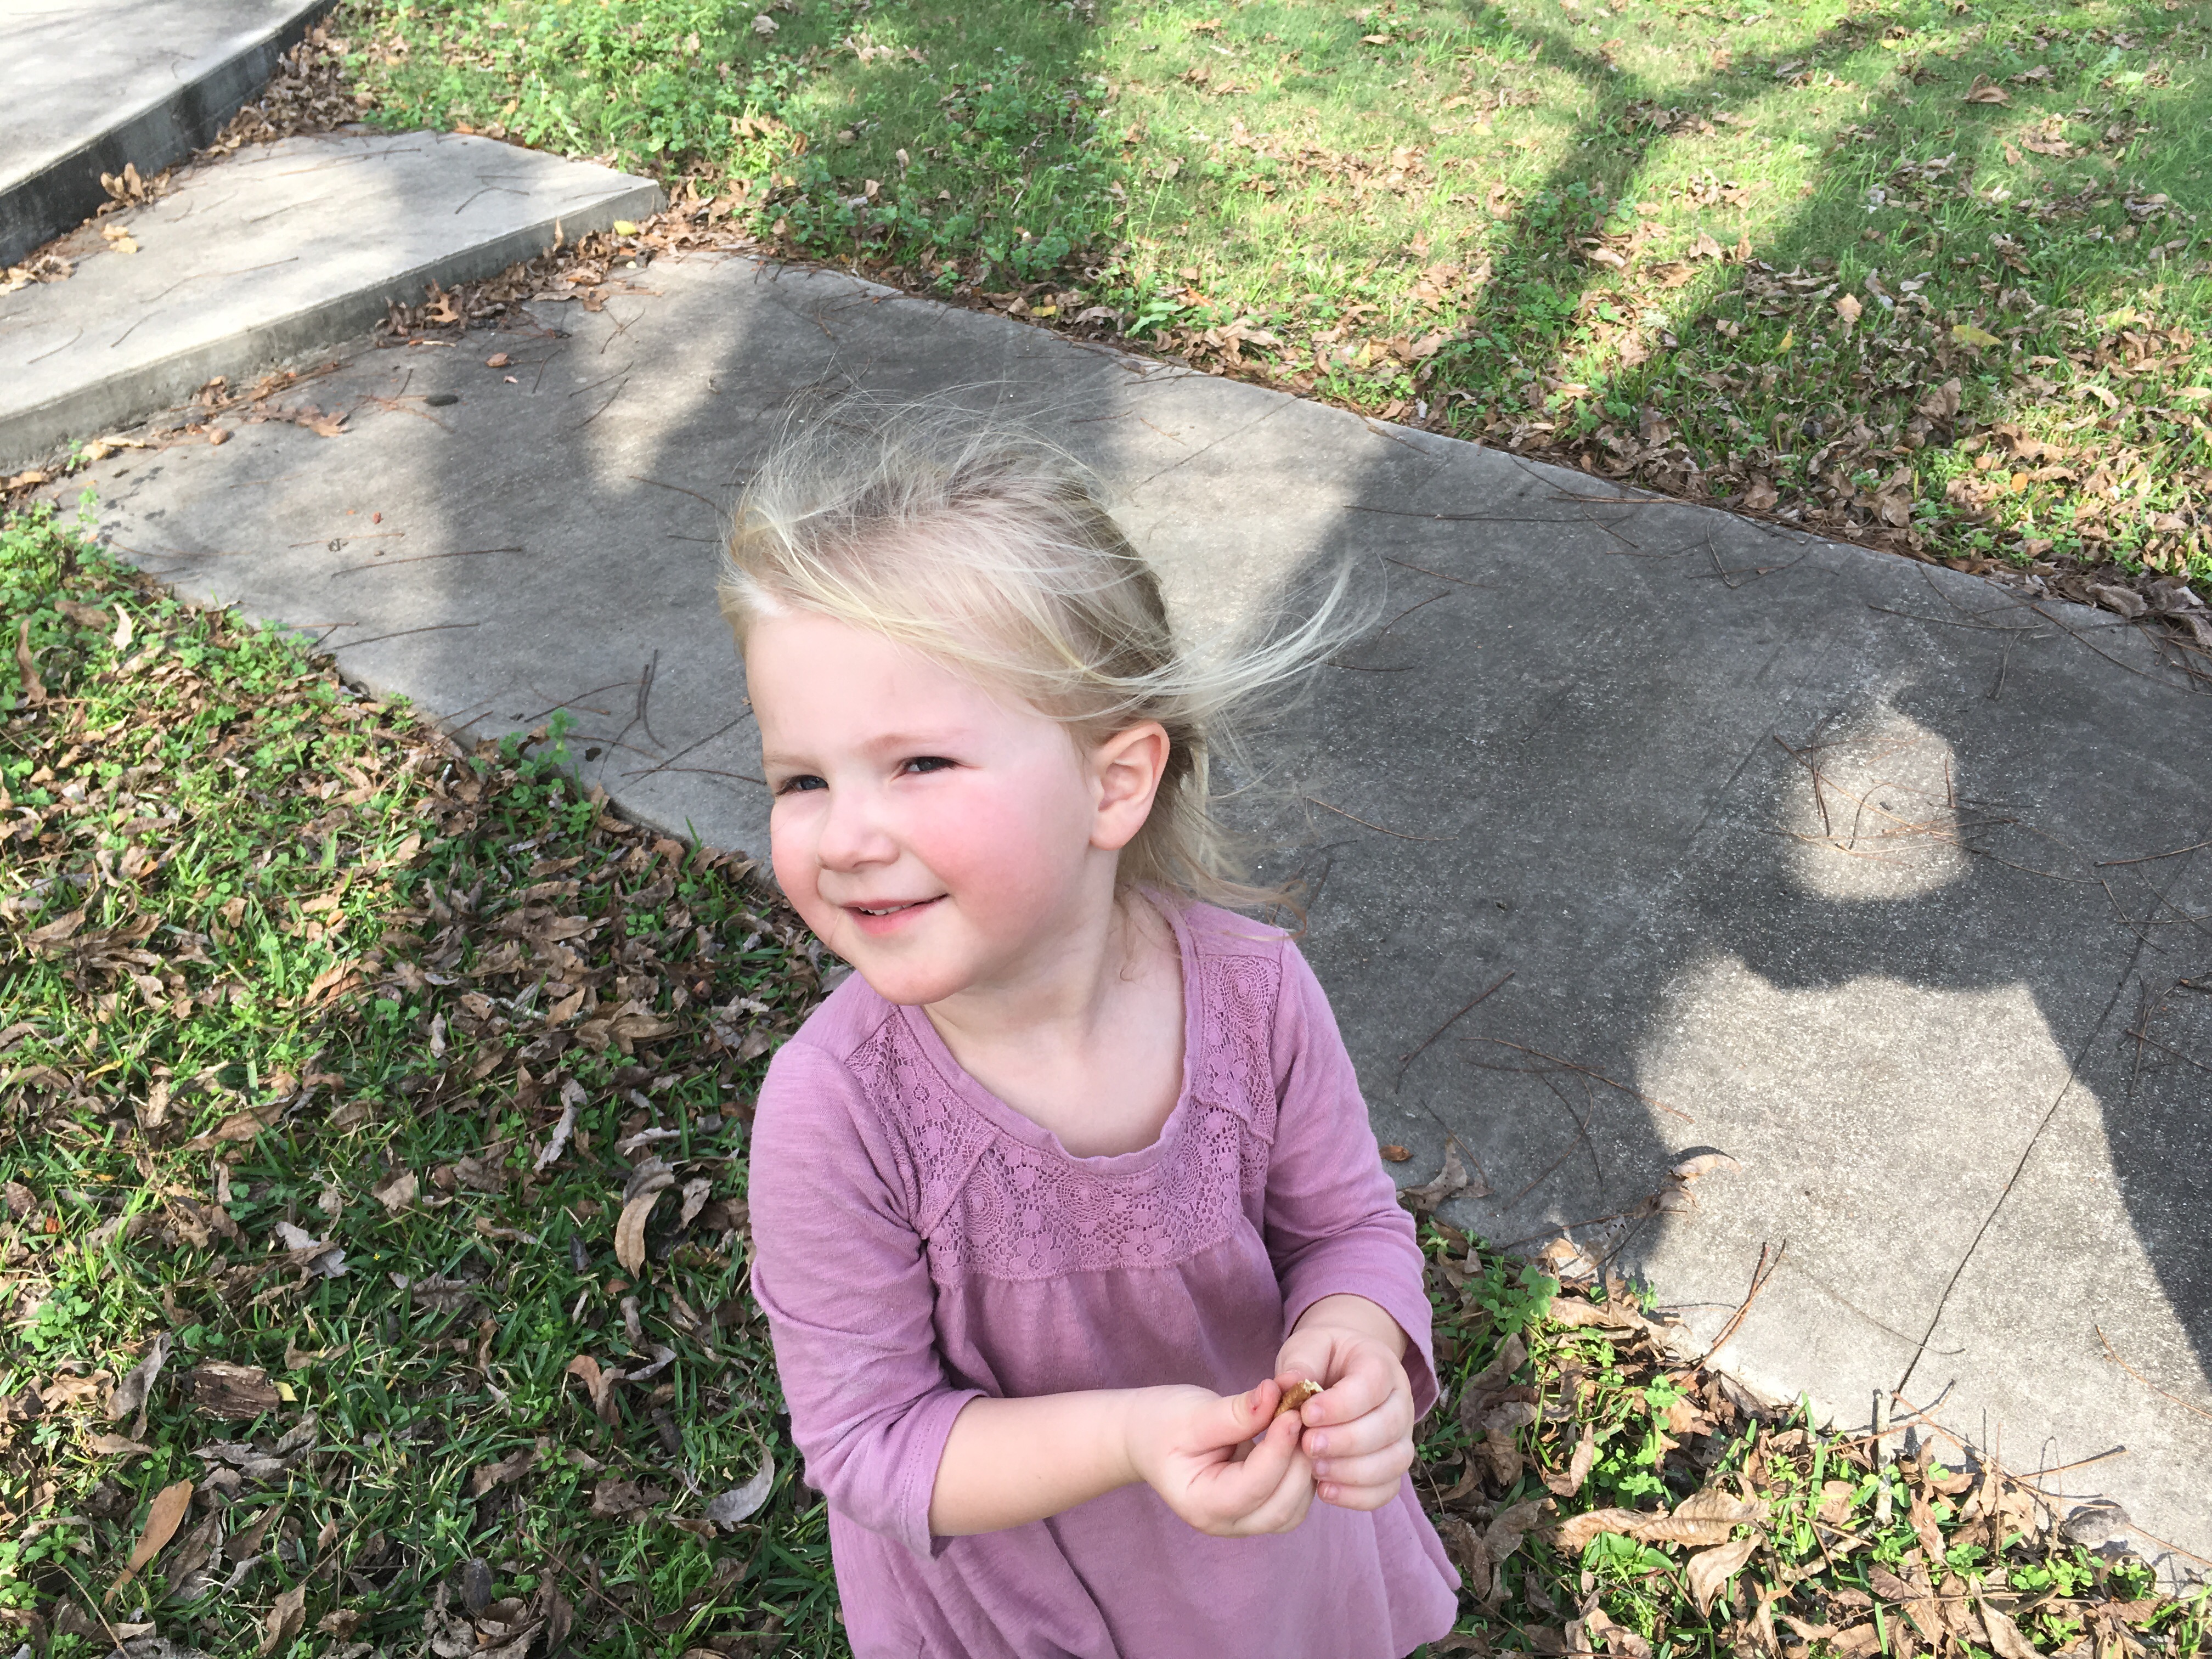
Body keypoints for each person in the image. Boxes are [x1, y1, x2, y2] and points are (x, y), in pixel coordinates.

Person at [725, 405, 1459, 1658]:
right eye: (803, 780)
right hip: (1021, 1608)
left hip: (1270, 1557)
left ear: (1114, 782)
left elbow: (1348, 1229)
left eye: (918, 764)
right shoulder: (835, 1108)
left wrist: (1357, 1337)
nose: (844, 836)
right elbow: (869, 1441)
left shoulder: (1255, 996)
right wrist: (1129, 1438)